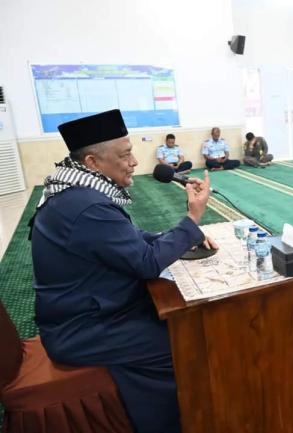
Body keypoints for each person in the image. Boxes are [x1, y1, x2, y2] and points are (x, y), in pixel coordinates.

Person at [30, 109, 217, 433]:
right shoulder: (86, 206)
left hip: (91, 310)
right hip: (83, 329)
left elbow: (127, 238)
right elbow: (146, 264)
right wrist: (192, 220)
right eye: (125, 155)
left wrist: (179, 236)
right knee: (182, 344)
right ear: (92, 162)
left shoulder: (74, 191)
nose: (134, 162)